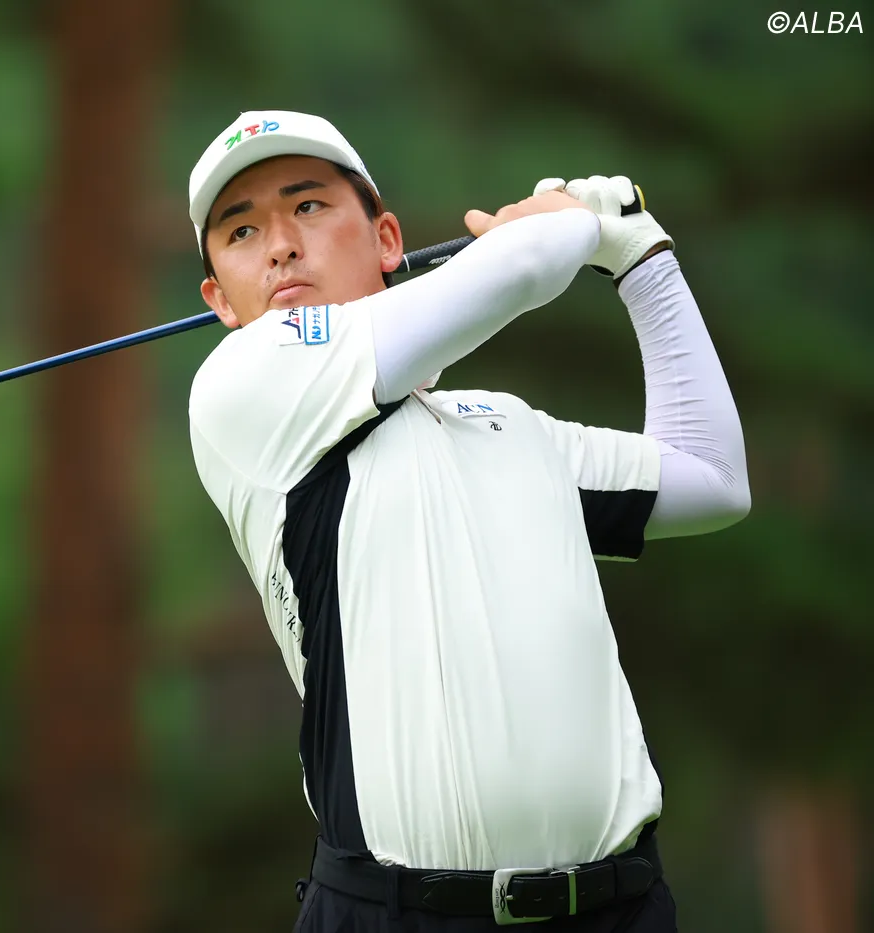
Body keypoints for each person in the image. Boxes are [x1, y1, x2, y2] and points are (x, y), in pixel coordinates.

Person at [185, 110, 749, 931]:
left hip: (620, 909)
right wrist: (568, 221)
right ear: (219, 300)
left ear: (387, 240)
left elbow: (713, 478)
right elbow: (524, 264)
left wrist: (642, 261)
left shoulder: (511, 425)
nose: (279, 246)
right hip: (397, 915)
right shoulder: (238, 390)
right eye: (241, 231)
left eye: (307, 206)